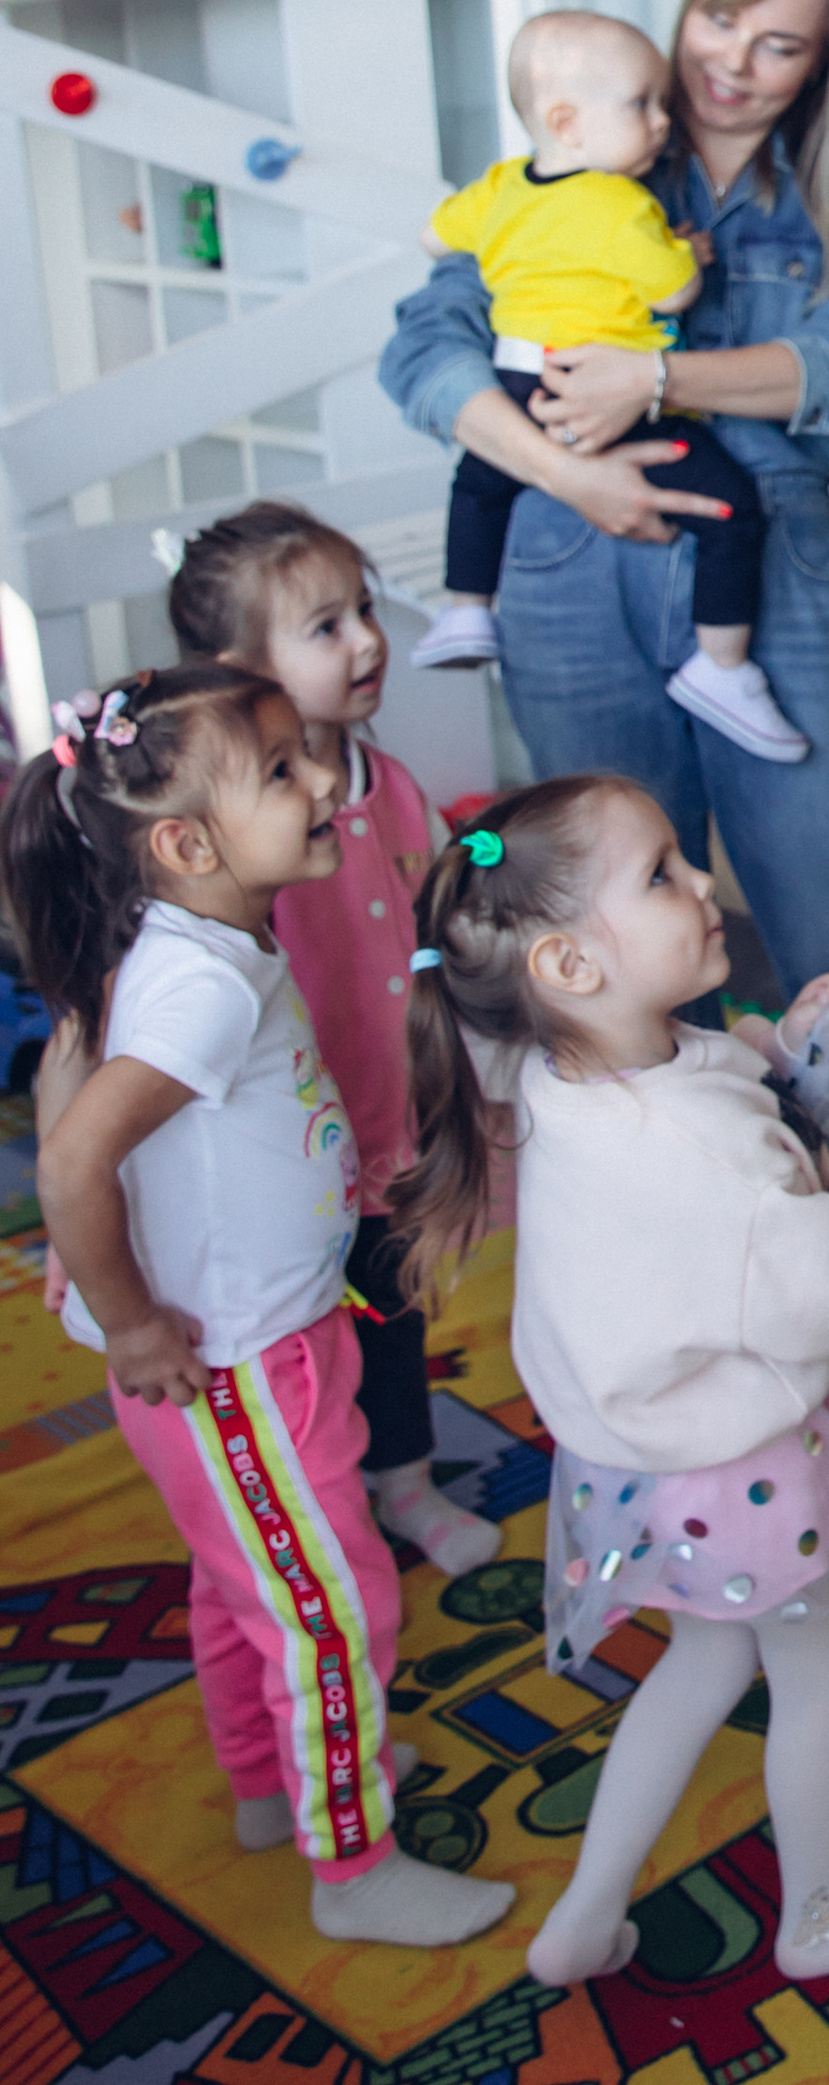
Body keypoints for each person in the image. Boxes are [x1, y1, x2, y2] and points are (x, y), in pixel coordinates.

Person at [377, 0, 829, 1265]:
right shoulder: (561, 156)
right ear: (683, 4)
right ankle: (675, 1230)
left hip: (763, 560)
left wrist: (655, 379)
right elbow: (424, 354)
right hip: (560, 564)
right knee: (597, 928)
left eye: (781, 47)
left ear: (825, 66)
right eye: (720, 21)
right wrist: (567, 471)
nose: (734, 65)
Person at [388, 776, 829, 1988]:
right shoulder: (700, 1152)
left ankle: (586, 1917)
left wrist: (779, 1048)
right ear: (568, 963)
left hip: (638, 1462)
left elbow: (700, 1070)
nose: (704, 883)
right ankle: (821, 1916)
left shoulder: (565, 1071)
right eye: (661, 873)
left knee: (705, 1662)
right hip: (745, 1469)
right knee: (817, 1671)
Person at [4, 663, 516, 1950]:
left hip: (273, 1342)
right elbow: (68, 1159)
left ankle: (259, 1785)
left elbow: (75, 1068)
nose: (320, 782)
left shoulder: (191, 941)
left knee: (245, 1583)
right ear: (184, 843)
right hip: (233, 1370)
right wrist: (128, 1322)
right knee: (333, 1607)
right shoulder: (204, 982)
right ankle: (352, 1866)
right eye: (280, 772)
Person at [167, 500, 500, 1578]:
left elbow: (429, 907)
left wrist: (487, 843)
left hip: (391, 1128)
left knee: (394, 1312)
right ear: (239, 667)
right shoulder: (228, 840)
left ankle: (402, 1483)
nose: (368, 640)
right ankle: (318, 1500)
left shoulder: (388, 783)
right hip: (289, 1158)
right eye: (326, 626)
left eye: (366, 609)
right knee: (307, 1345)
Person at [413, 11, 806, 767]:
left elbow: (434, 237)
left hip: (517, 380)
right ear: (568, 121)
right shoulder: (625, 205)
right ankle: (722, 667)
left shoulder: (498, 187)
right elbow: (677, 294)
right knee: (729, 506)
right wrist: (680, 251)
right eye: (641, 105)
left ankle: (466, 608)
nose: (662, 122)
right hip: (606, 394)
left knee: (479, 482)